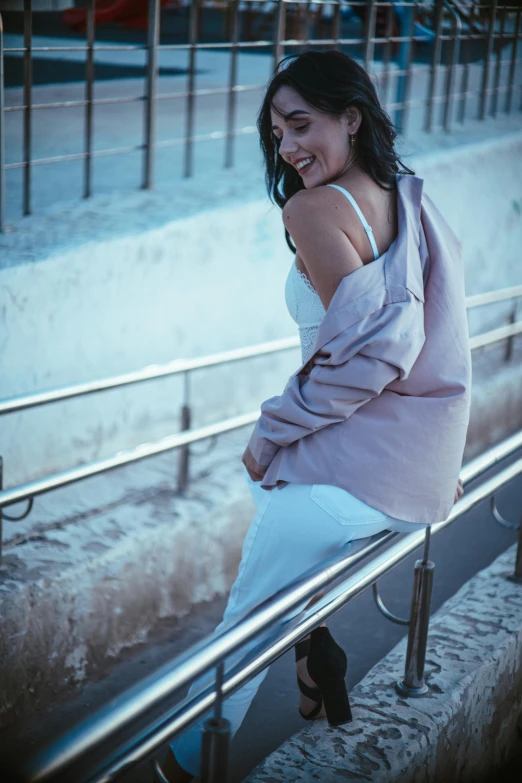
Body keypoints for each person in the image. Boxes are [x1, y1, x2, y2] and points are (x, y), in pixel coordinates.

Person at [159, 49, 471, 782]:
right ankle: (314, 654)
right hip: (418, 476)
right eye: (276, 132)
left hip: (359, 478)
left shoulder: (314, 209)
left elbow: (371, 358)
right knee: (276, 521)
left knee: (242, 619)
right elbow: (433, 337)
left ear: (351, 117)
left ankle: (180, 765)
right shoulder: (407, 195)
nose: (288, 147)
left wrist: (270, 432)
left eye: (302, 124)